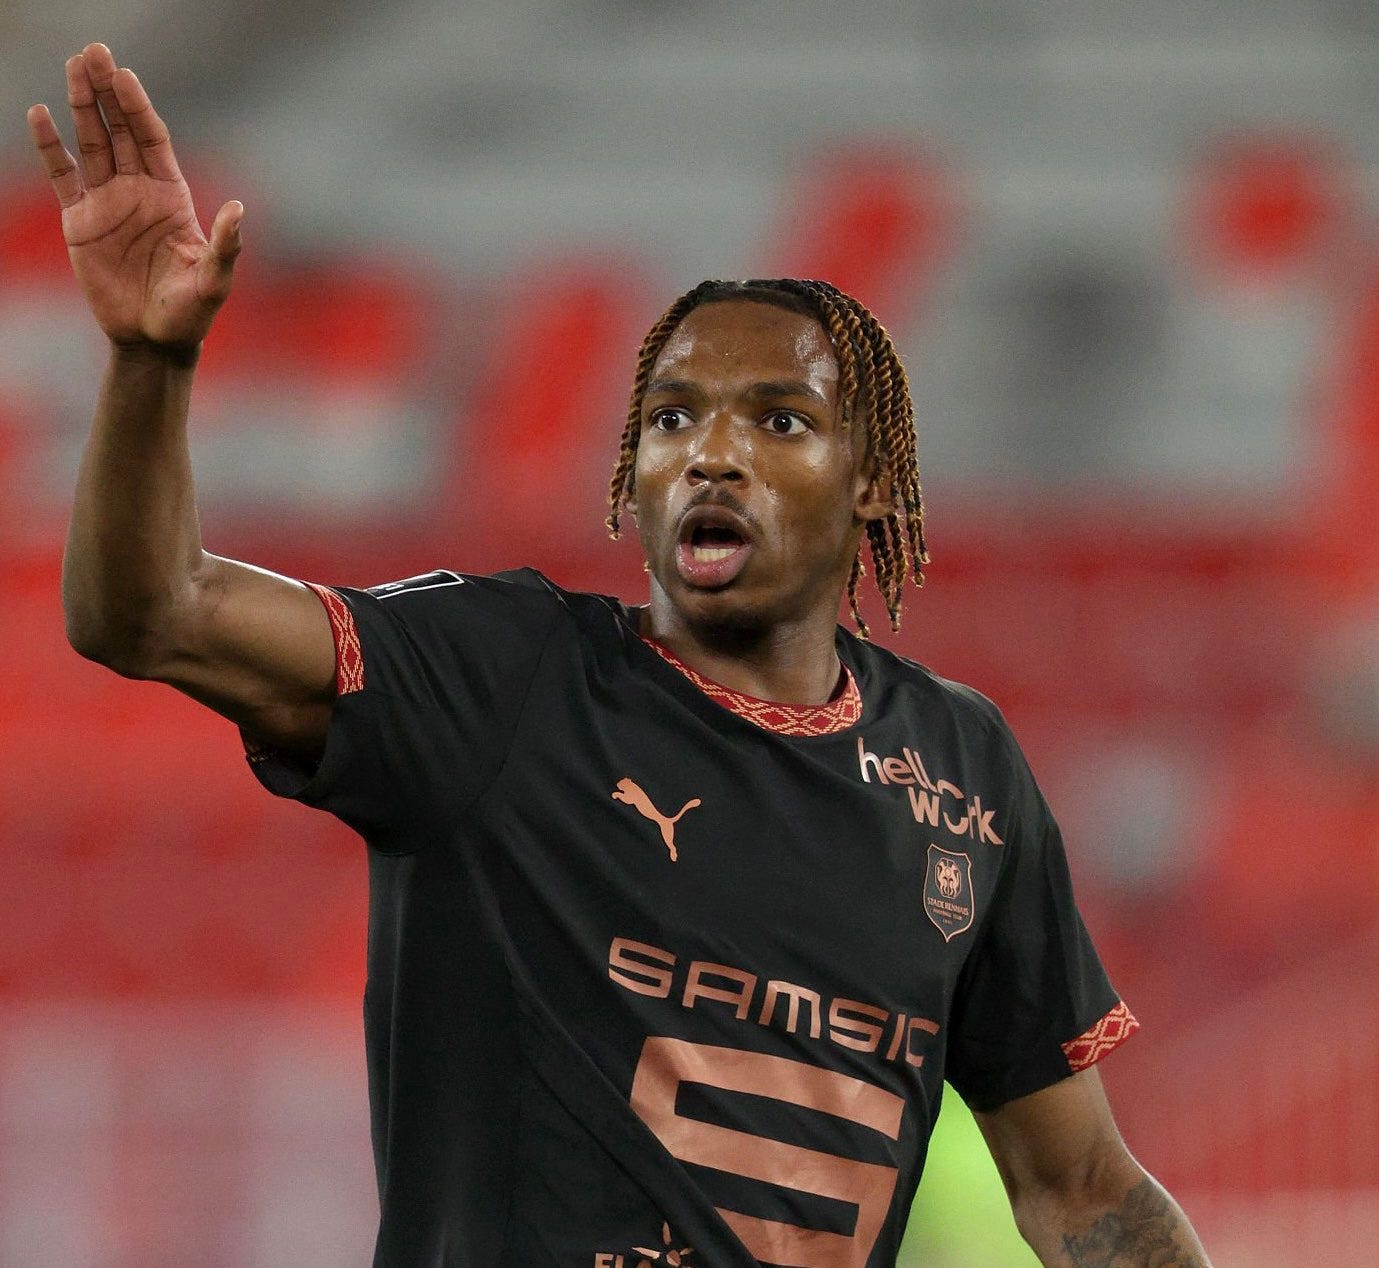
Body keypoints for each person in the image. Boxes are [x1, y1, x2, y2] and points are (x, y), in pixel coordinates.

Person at [29, 42, 1212, 1268]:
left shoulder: (961, 769)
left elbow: (1078, 1189)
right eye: (670, 416)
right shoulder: (505, 676)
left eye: (778, 418)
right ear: (633, 475)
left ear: (869, 483)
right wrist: (150, 363)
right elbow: (149, 609)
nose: (710, 450)